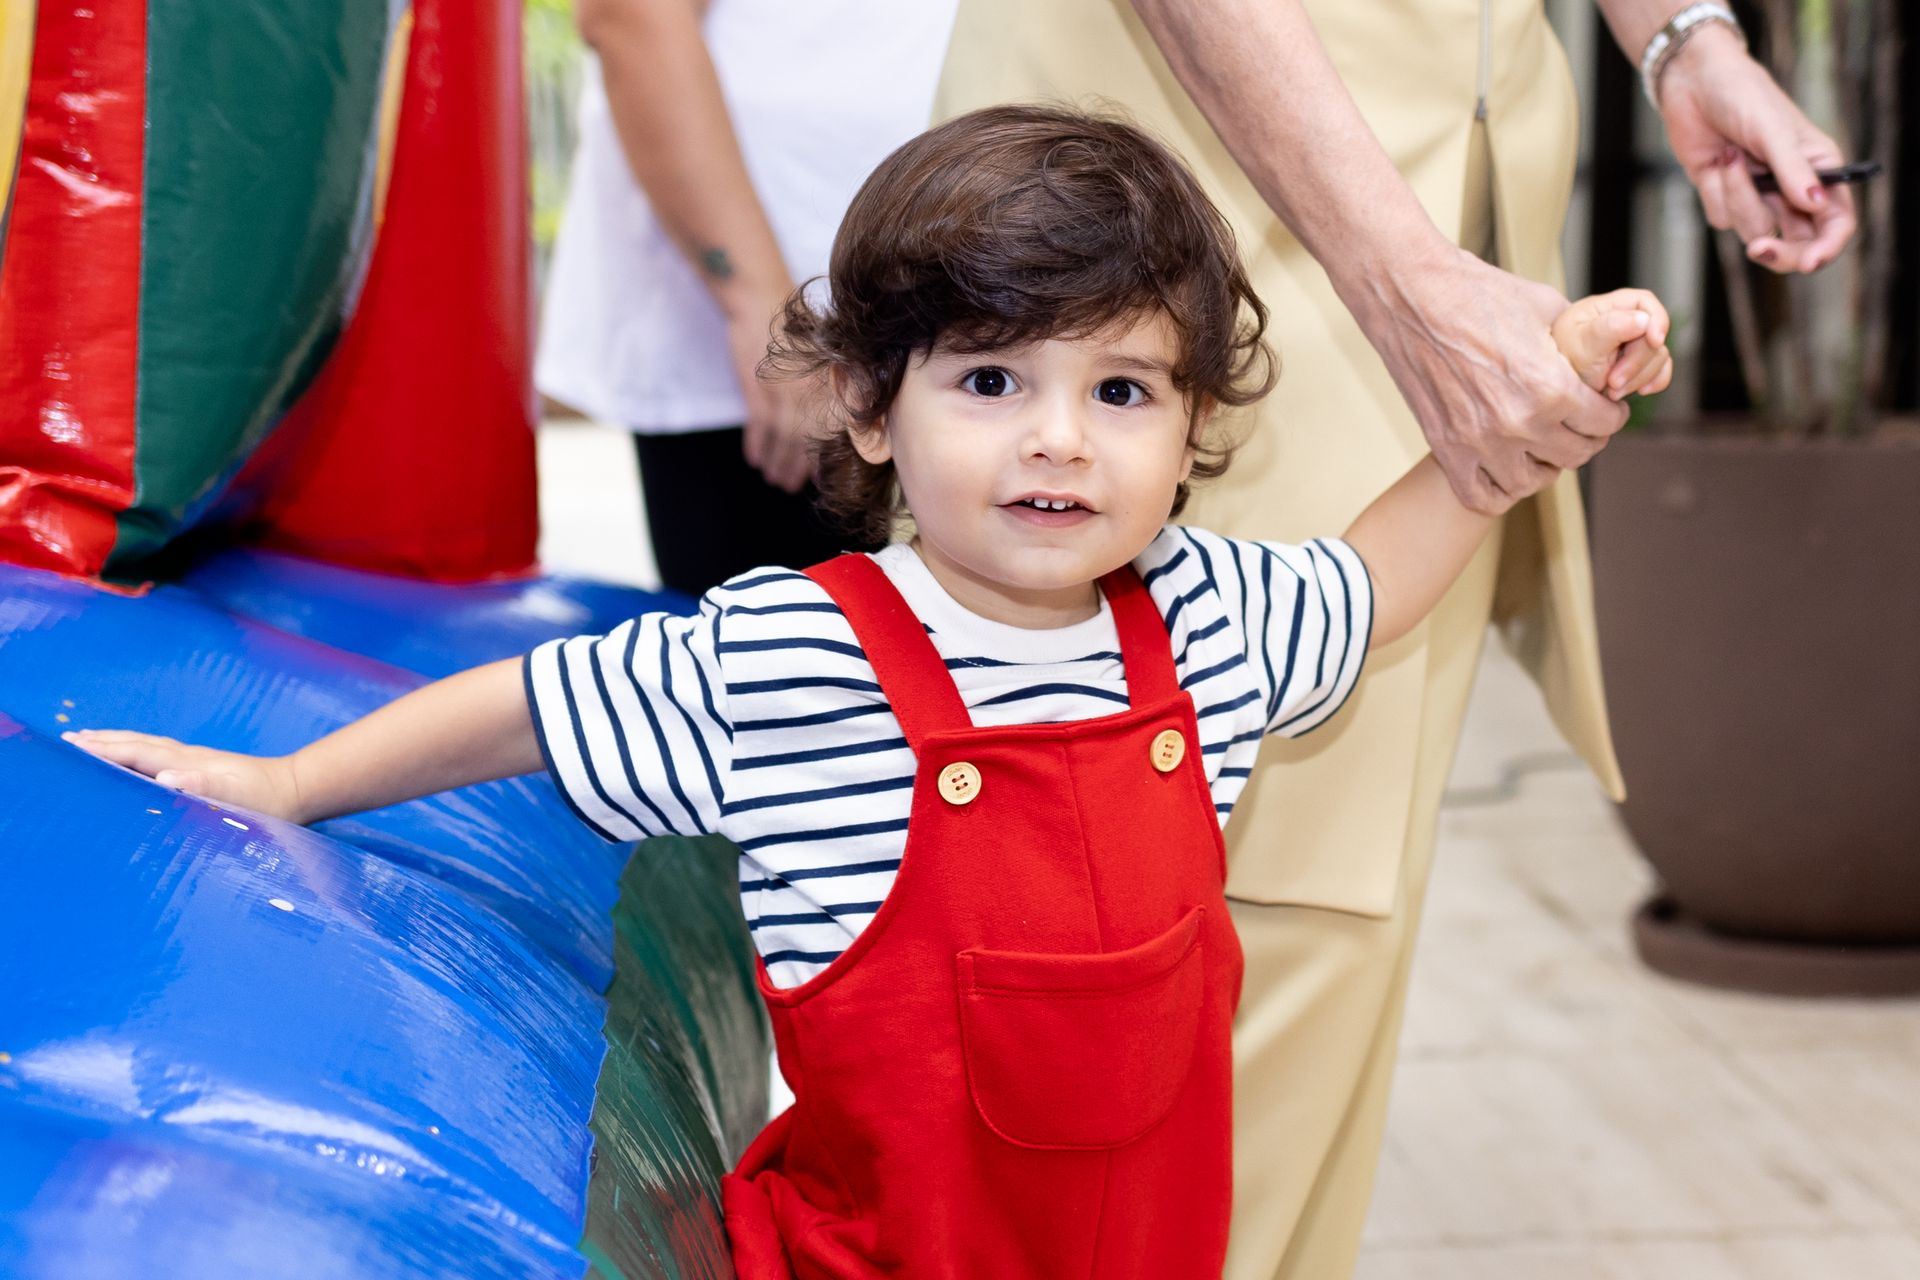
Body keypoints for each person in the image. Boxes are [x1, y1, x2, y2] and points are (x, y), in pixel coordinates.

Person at [67, 106, 1672, 1278]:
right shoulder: (798, 656)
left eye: (1121, 391)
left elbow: (1373, 582)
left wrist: (1523, 433)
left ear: (1190, 431)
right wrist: (287, 788)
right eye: (991, 381)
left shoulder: (1207, 619)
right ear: (872, 412)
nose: (1058, 439)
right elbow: (535, 708)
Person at [932, 5, 1855, 1273]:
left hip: (1444, 216)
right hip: (1168, 247)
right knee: (1156, 977)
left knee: (1329, 970)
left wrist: (1685, 44)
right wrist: (1403, 278)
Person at [539, 0, 956, 594]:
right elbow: (631, 16)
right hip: (774, 313)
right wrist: (763, 311)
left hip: (951, 300)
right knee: (786, 665)